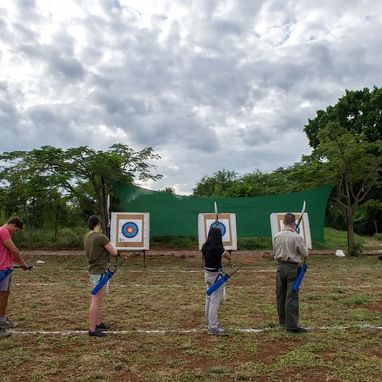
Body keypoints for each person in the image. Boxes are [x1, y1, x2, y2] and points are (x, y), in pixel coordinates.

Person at [273, 213, 309, 333]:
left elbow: (275, 251)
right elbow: (305, 253)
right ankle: (292, 325)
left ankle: (282, 321)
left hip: (280, 267)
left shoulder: (277, 236)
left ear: (283, 222)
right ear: (294, 223)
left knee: (280, 295)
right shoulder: (297, 237)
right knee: (291, 296)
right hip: (292, 268)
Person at [84, 215, 118, 337]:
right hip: (99, 272)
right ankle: (92, 330)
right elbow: (114, 252)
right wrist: (111, 244)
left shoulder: (88, 237)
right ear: (98, 224)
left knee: (96, 299)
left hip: (93, 271)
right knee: (96, 301)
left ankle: (98, 323)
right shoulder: (100, 237)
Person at [0, 217, 30, 338]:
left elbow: (8, 253)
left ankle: (2, 320)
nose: (15, 232)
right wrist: (22, 263)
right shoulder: (3, 231)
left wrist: (19, 263)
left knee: (4, 294)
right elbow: (14, 250)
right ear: (12, 224)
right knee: (1, 296)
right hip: (1, 269)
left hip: (6, 269)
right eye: (16, 230)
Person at [202, 226, 231, 335]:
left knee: (209, 299)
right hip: (216, 276)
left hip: (208, 275)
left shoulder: (205, 246)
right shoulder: (218, 248)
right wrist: (224, 249)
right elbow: (228, 257)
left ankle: (209, 322)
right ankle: (212, 327)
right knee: (214, 301)